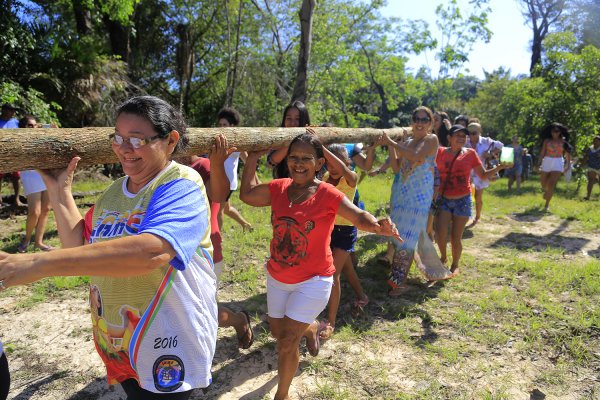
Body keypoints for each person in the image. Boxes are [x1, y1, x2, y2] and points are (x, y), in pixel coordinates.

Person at [0, 96, 218, 399]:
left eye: (137, 139)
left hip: (169, 343)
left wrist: (36, 264)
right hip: (120, 343)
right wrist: (60, 192)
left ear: (170, 140)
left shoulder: (181, 183)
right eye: (118, 137)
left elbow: (151, 252)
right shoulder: (115, 191)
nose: (124, 148)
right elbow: (78, 245)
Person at [238, 133, 401, 400]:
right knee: (278, 333)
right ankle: (311, 327)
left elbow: (356, 214)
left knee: (288, 341)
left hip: (314, 280)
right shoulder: (279, 188)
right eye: (293, 158)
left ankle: (282, 394)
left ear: (319, 163)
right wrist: (253, 158)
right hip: (278, 277)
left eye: (306, 158)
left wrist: (375, 223)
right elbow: (246, 195)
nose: (299, 163)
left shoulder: (327, 193)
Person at [188, 136, 254, 350]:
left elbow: (218, 197)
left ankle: (238, 320)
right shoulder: (165, 171)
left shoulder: (203, 165)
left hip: (203, 250)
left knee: (202, 309)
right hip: (181, 251)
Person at [381, 106, 447, 296]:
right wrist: (390, 147)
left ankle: (397, 284)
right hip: (403, 194)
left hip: (419, 198)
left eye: (424, 119)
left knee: (408, 239)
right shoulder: (408, 141)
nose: (419, 122)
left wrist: (391, 142)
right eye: (416, 119)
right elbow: (396, 168)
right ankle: (397, 279)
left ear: (431, 123)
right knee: (399, 235)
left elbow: (417, 156)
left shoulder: (431, 139)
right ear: (412, 121)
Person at [435, 125, 510, 275]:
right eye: (458, 135)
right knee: (440, 234)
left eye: (464, 136)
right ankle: (443, 257)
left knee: (456, 237)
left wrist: (499, 167)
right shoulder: (440, 152)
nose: (462, 138)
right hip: (443, 199)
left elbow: (482, 175)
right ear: (449, 138)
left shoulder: (471, 154)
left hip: (462, 200)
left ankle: (455, 265)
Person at [319, 144, 368, 339]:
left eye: (336, 161)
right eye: (328, 162)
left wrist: (323, 148)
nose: (332, 166)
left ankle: (331, 321)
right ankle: (362, 296)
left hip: (345, 232)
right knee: (347, 269)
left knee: (333, 276)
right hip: (329, 231)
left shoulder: (351, 178)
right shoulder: (324, 178)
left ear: (346, 162)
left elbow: (344, 170)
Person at [16, 116, 54, 253]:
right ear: (23, 127)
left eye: (33, 125)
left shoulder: (40, 136)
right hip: (30, 175)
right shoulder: (17, 138)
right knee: (34, 211)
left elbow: (54, 129)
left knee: (45, 210)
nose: (32, 128)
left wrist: (42, 126)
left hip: (44, 173)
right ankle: (26, 239)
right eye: (29, 125)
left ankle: (38, 242)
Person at [215, 107, 253, 231]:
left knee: (217, 210)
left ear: (232, 126)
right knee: (226, 208)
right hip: (219, 180)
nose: (221, 127)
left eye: (224, 124)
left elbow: (248, 161)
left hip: (227, 182)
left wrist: (254, 179)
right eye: (220, 124)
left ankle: (216, 240)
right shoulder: (217, 140)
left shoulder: (237, 143)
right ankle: (246, 225)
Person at [465, 122, 503, 225]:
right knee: (466, 195)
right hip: (467, 172)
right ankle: (466, 216)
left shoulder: (486, 141)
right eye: (469, 133)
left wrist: (491, 153)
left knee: (478, 197)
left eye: (474, 133)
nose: (472, 135)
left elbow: (500, 145)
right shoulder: (465, 141)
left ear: (479, 132)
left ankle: (477, 216)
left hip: (481, 172)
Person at [267, 100, 311, 178]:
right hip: (282, 187)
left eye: (297, 119)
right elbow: (270, 163)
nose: (292, 123)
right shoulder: (278, 138)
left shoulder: (311, 139)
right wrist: (292, 142)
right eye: (289, 118)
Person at [537, 122, 572, 210]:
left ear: (560, 132)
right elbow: (542, 153)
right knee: (543, 183)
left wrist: (567, 165)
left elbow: (568, 154)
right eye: (553, 131)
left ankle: (547, 204)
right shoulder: (547, 141)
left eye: (557, 131)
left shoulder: (563, 142)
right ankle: (546, 191)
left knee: (552, 183)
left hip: (558, 161)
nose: (555, 133)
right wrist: (538, 163)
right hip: (547, 160)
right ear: (550, 132)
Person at [0, 103, 23, 207]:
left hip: (14, 153)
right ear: (4, 110)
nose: (13, 112)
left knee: (16, 177)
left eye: (14, 110)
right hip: (1, 153)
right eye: (11, 110)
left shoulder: (16, 122)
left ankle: (17, 199)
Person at [582, 135, 600, 200]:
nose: (595, 142)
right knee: (590, 180)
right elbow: (586, 156)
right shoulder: (590, 149)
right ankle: (588, 196)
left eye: (597, 141)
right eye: (594, 141)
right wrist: (583, 164)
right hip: (591, 166)